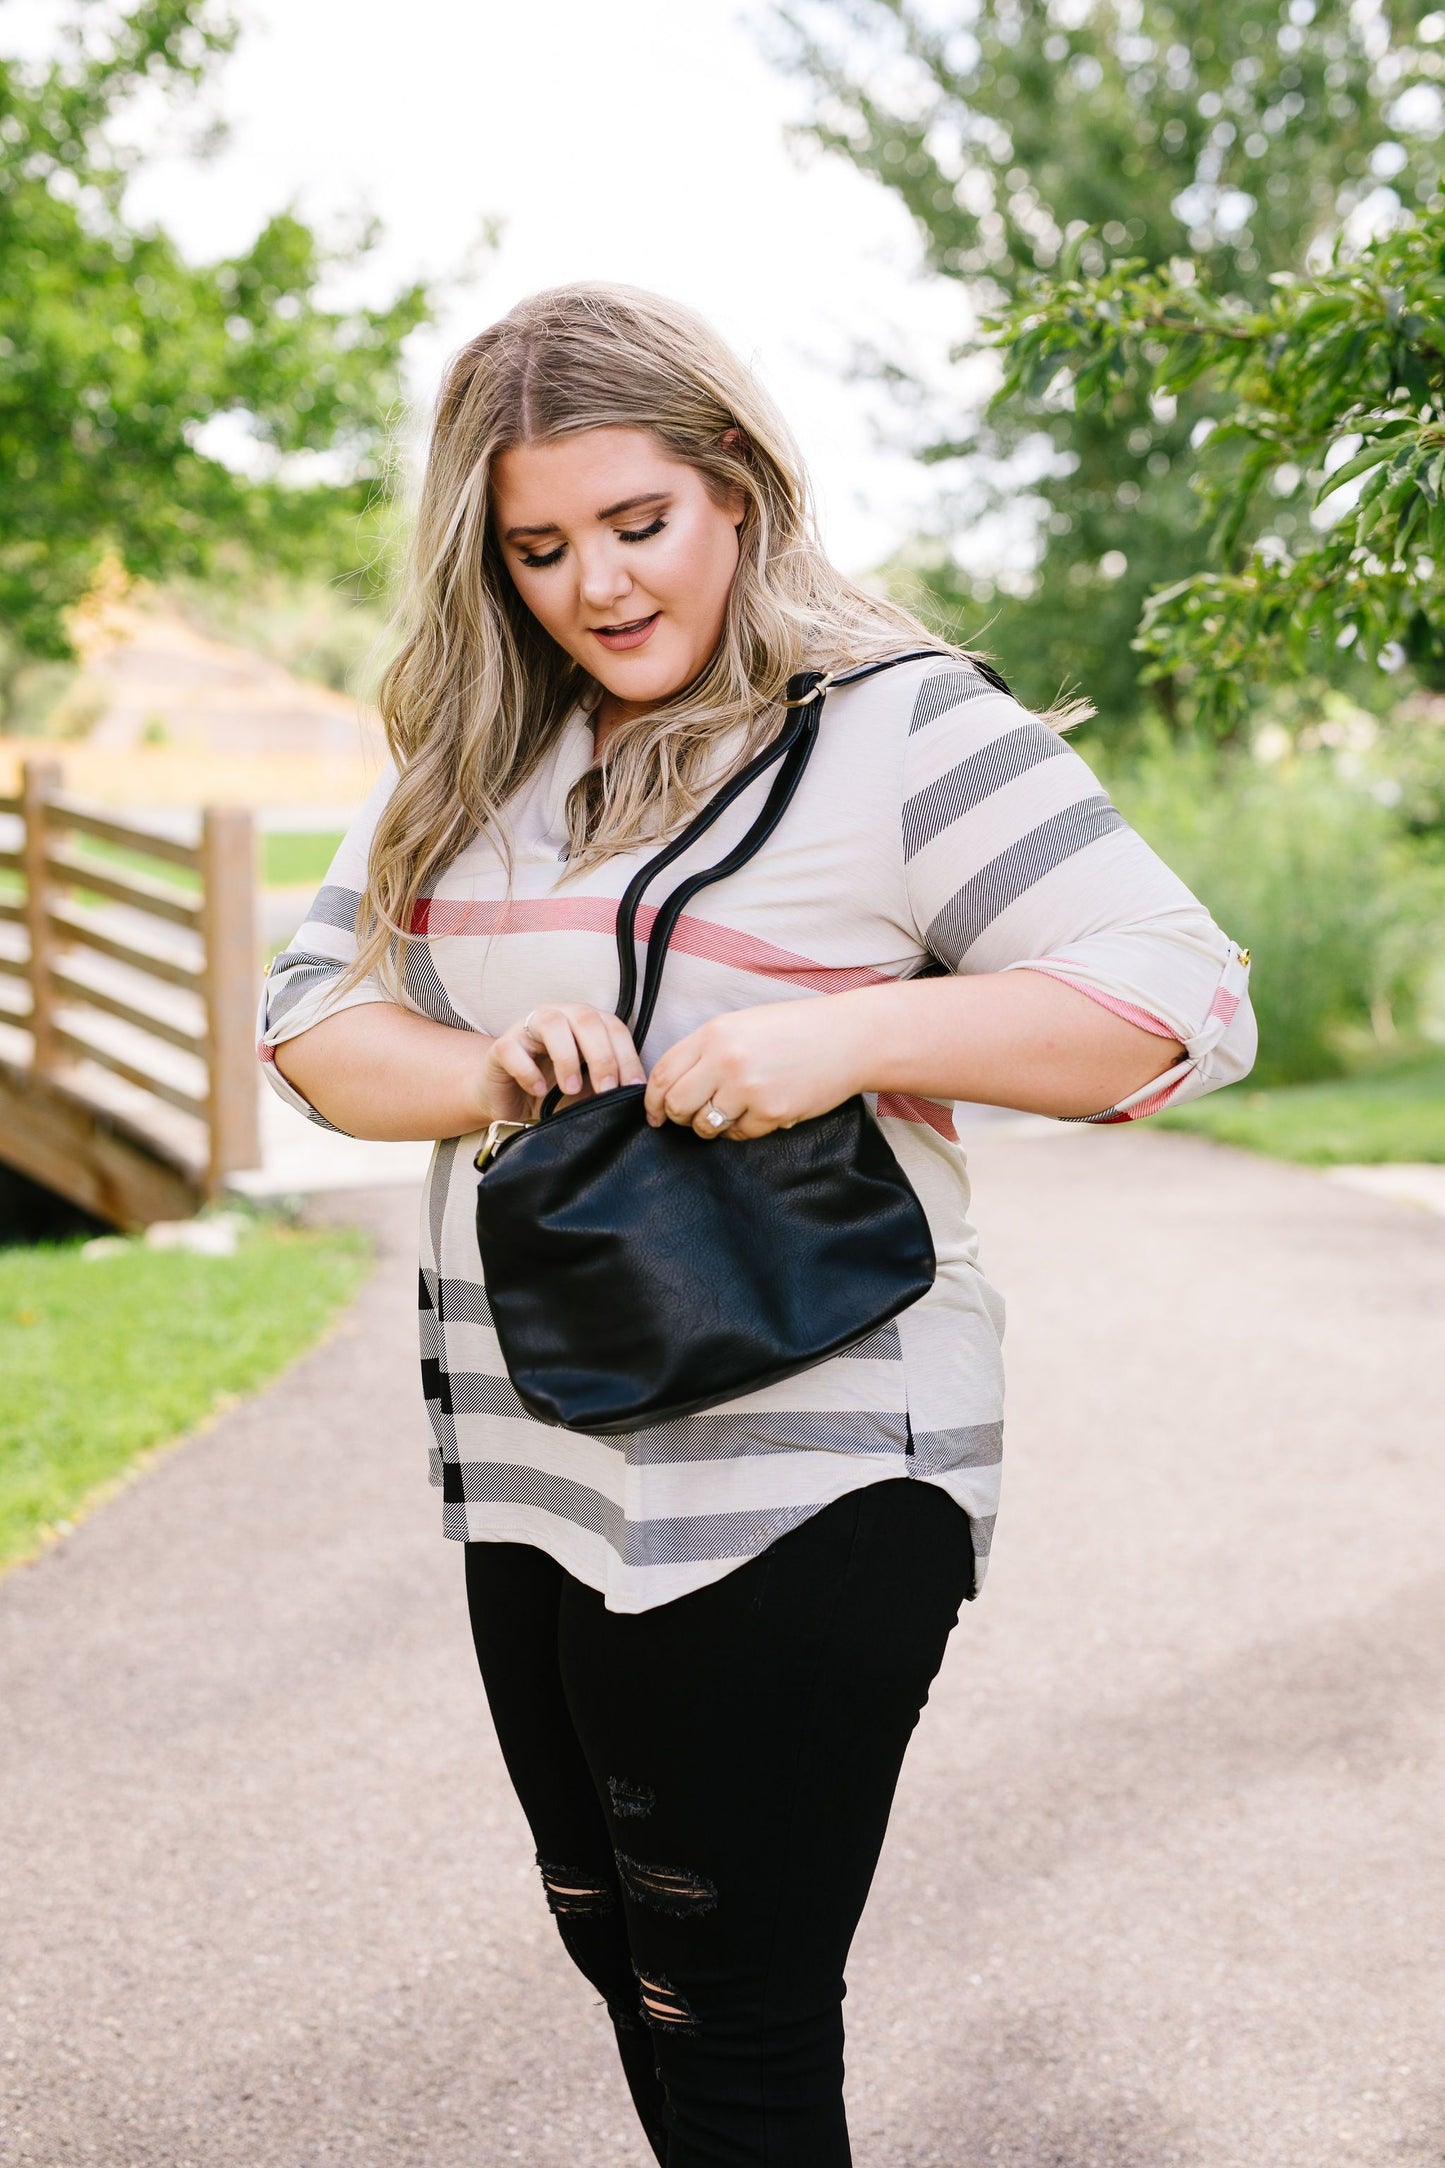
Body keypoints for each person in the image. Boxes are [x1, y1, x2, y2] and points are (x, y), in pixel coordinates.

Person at [258, 282, 1256, 2166]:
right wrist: (498, 1070)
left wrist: (841, 1038)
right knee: (620, 1952)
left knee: (734, 2016)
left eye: (638, 526)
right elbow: (313, 1031)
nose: (598, 589)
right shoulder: (471, 759)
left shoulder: (898, 735)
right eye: (539, 548)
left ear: (735, 485)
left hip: (810, 1462)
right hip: (539, 1450)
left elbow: (1183, 1005)